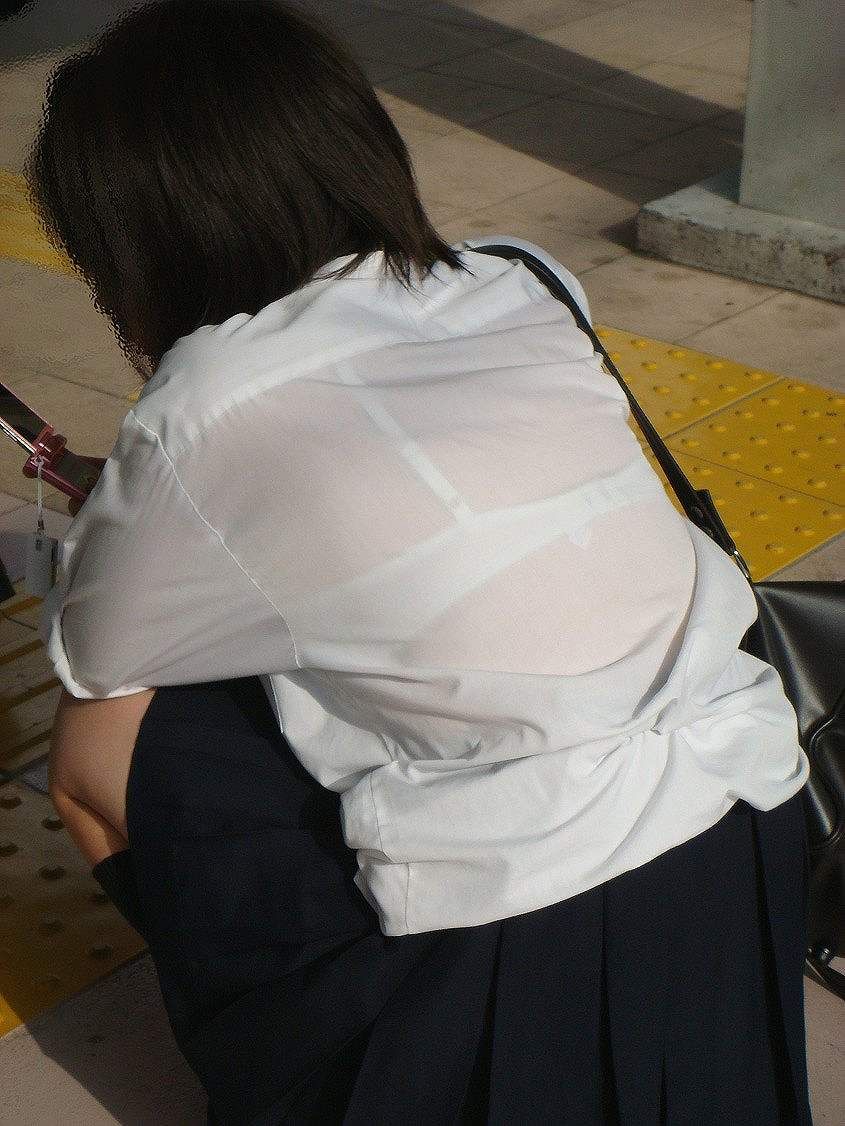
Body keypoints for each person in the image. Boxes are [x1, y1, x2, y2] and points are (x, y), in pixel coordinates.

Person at [28, 1, 813, 1123]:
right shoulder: (522, 276)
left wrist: (138, 508)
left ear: (143, 239)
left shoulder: (201, 405)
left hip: (529, 915)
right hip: (742, 822)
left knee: (106, 744)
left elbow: (99, 651)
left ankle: (318, 1057)